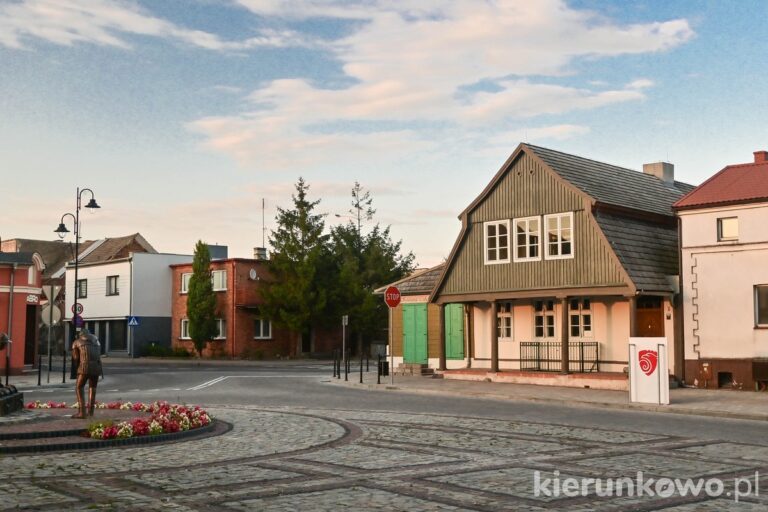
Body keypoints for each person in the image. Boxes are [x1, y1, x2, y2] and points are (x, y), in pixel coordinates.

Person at [71, 328, 102, 419]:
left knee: (79, 387)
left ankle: (82, 412)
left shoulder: (76, 342)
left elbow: (76, 358)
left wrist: (77, 369)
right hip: (97, 367)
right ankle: (91, 412)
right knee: (93, 387)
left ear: (81, 335)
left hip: (84, 367)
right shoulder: (97, 341)